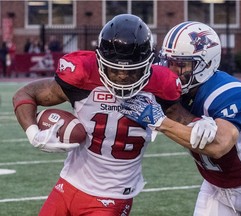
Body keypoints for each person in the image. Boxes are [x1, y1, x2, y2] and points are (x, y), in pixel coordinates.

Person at [12, 15, 217, 216]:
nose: (122, 76)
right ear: (100, 61)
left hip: (112, 197)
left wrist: (201, 123)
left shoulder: (160, 86)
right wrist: (33, 134)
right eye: (114, 69)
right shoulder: (83, 73)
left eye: (132, 71)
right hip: (67, 184)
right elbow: (26, 93)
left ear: (147, 64)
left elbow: (183, 120)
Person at [120, 21, 241, 216]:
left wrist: (159, 121)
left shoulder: (228, 92)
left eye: (180, 65)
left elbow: (218, 146)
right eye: (168, 62)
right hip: (214, 186)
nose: (171, 72)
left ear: (206, 64)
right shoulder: (169, 86)